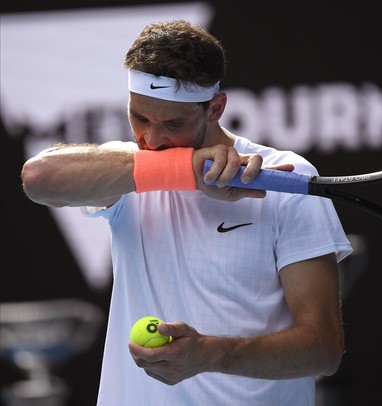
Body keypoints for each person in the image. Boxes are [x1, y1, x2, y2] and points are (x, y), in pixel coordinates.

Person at [21, 20, 352, 405]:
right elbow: (38, 177)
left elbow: (322, 349)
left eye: (173, 124)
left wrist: (208, 354)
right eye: (140, 118)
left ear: (215, 108)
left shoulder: (286, 176)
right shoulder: (129, 171)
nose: (152, 139)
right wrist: (188, 170)